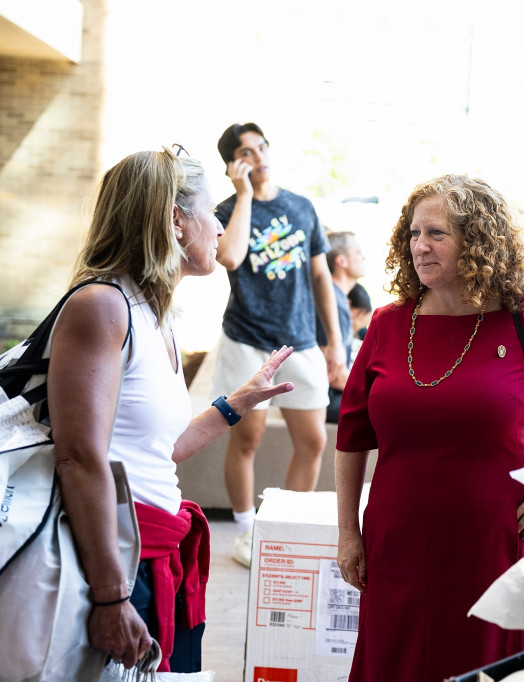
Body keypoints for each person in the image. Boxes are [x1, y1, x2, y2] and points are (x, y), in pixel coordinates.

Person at [334, 174, 524, 681]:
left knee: (493, 668)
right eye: (413, 233)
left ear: (477, 239)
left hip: (496, 547)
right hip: (396, 546)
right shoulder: (387, 324)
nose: (419, 245)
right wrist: (348, 533)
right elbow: (352, 435)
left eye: (436, 233)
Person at [47, 147, 294, 672]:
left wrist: (234, 404)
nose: (222, 228)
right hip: (114, 563)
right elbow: (79, 458)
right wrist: (112, 597)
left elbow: (162, 450)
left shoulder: (155, 316)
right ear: (175, 221)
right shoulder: (103, 306)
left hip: (153, 555)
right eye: (214, 213)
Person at [212, 122, 347, 567]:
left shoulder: (301, 207)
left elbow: (321, 277)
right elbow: (229, 257)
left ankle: (283, 528)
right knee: (246, 439)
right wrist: (245, 195)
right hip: (247, 340)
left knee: (311, 441)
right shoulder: (228, 209)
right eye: (246, 151)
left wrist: (334, 344)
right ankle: (248, 531)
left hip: (301, 340)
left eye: (262, 146)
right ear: (234, 164)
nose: (259, 155)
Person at [318, 230, 365, 422]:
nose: (364, 257)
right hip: (327, 400)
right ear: (341, 261)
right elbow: (335, 376)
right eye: (358, 253)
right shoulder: (332, 305)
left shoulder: (338, 300)